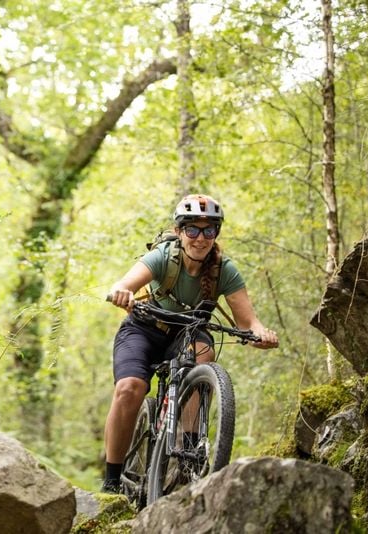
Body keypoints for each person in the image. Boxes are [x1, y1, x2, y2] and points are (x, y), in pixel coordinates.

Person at [101, 194, 279, 494]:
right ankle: (111, 480)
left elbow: (248, 321)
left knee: (203, 355)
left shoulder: (225, 270)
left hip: (189, 333)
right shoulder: (163, 257)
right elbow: (124, 283)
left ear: (216, 234)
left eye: (209, 231)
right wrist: (121, 292)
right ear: (180, 231)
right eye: (193, 229)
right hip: (144, 329)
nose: (200, 238)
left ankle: (189, 454)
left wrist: (262, 334)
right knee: (130, 388)